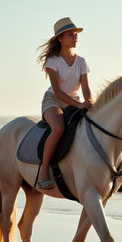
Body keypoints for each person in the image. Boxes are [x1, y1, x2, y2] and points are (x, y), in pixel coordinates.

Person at [37, 17, 94, 190]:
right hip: (53, 100)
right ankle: (44, 172)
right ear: (60, 38)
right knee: (59, 128)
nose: (75, 37)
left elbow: (86, 88)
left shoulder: (81, 61)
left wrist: (89, 101)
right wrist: (78, 106)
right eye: (71, 35)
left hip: (75, 101)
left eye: (76, 34)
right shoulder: (52, 61)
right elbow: (58, 91)